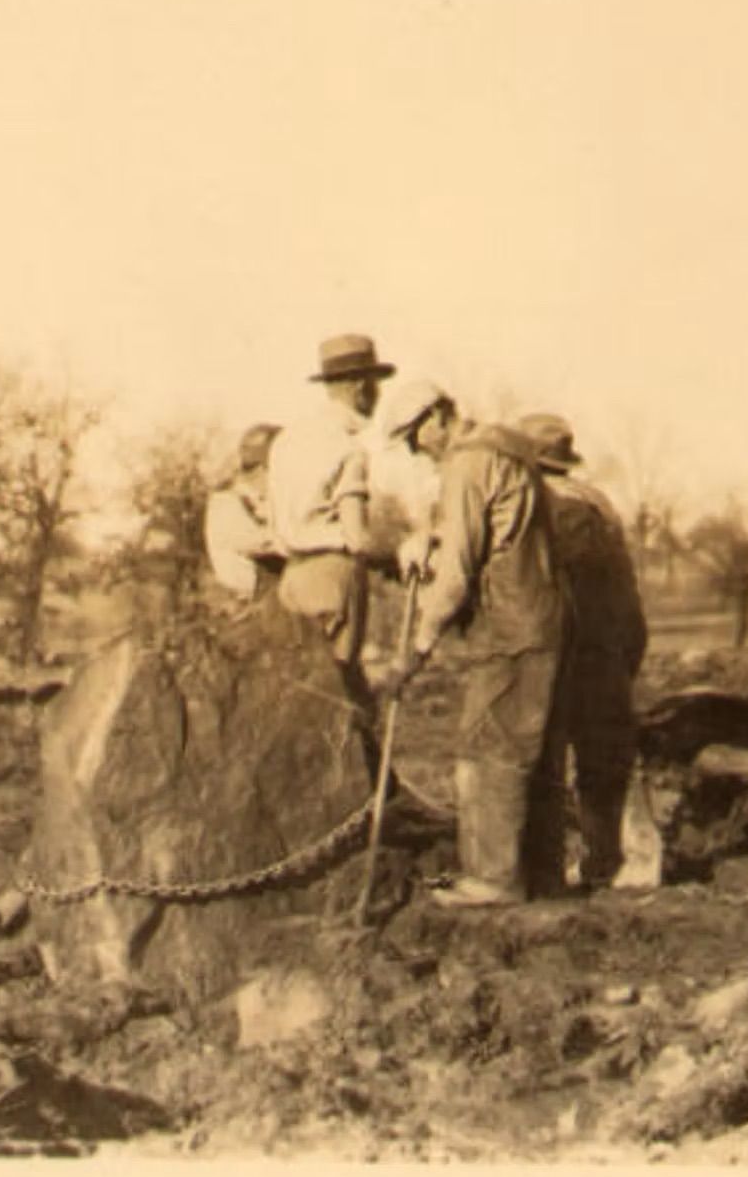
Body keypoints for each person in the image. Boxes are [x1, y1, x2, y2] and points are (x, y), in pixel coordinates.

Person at [377, 379, 570, 908]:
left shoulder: (464, 466)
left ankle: (492, 880)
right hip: (543, 617)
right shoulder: (508, 449)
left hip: (508, 625)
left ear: (437, 416)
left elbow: (458, 575)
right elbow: (491, 531)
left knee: (487, 750)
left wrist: (415, 650)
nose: (418, 451)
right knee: (537, 751)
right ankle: (544, 877)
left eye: (416, 437)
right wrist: (430, 541)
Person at [518, 412, 648, 891]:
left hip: (573, 643)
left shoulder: (544, 506)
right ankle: (607, 861)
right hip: (613, 638)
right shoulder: (597, 500)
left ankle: (563, 869)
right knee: (604, 757)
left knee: (555, 758)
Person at [266, 334, 395, 693]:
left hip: (292, 577)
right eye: (375, 385)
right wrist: (396, 555)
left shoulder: (287, 440)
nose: (378, 395)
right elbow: (356, 537)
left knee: (299, 691)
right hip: (332, 576)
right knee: (337, 690)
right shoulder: (346, 446)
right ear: (360, 387)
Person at [203, 422, 284, 601]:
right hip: (248, 603)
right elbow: (263, 544)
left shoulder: (259, 499)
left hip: (267, 597)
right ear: (266, 467)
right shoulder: (226, 502)